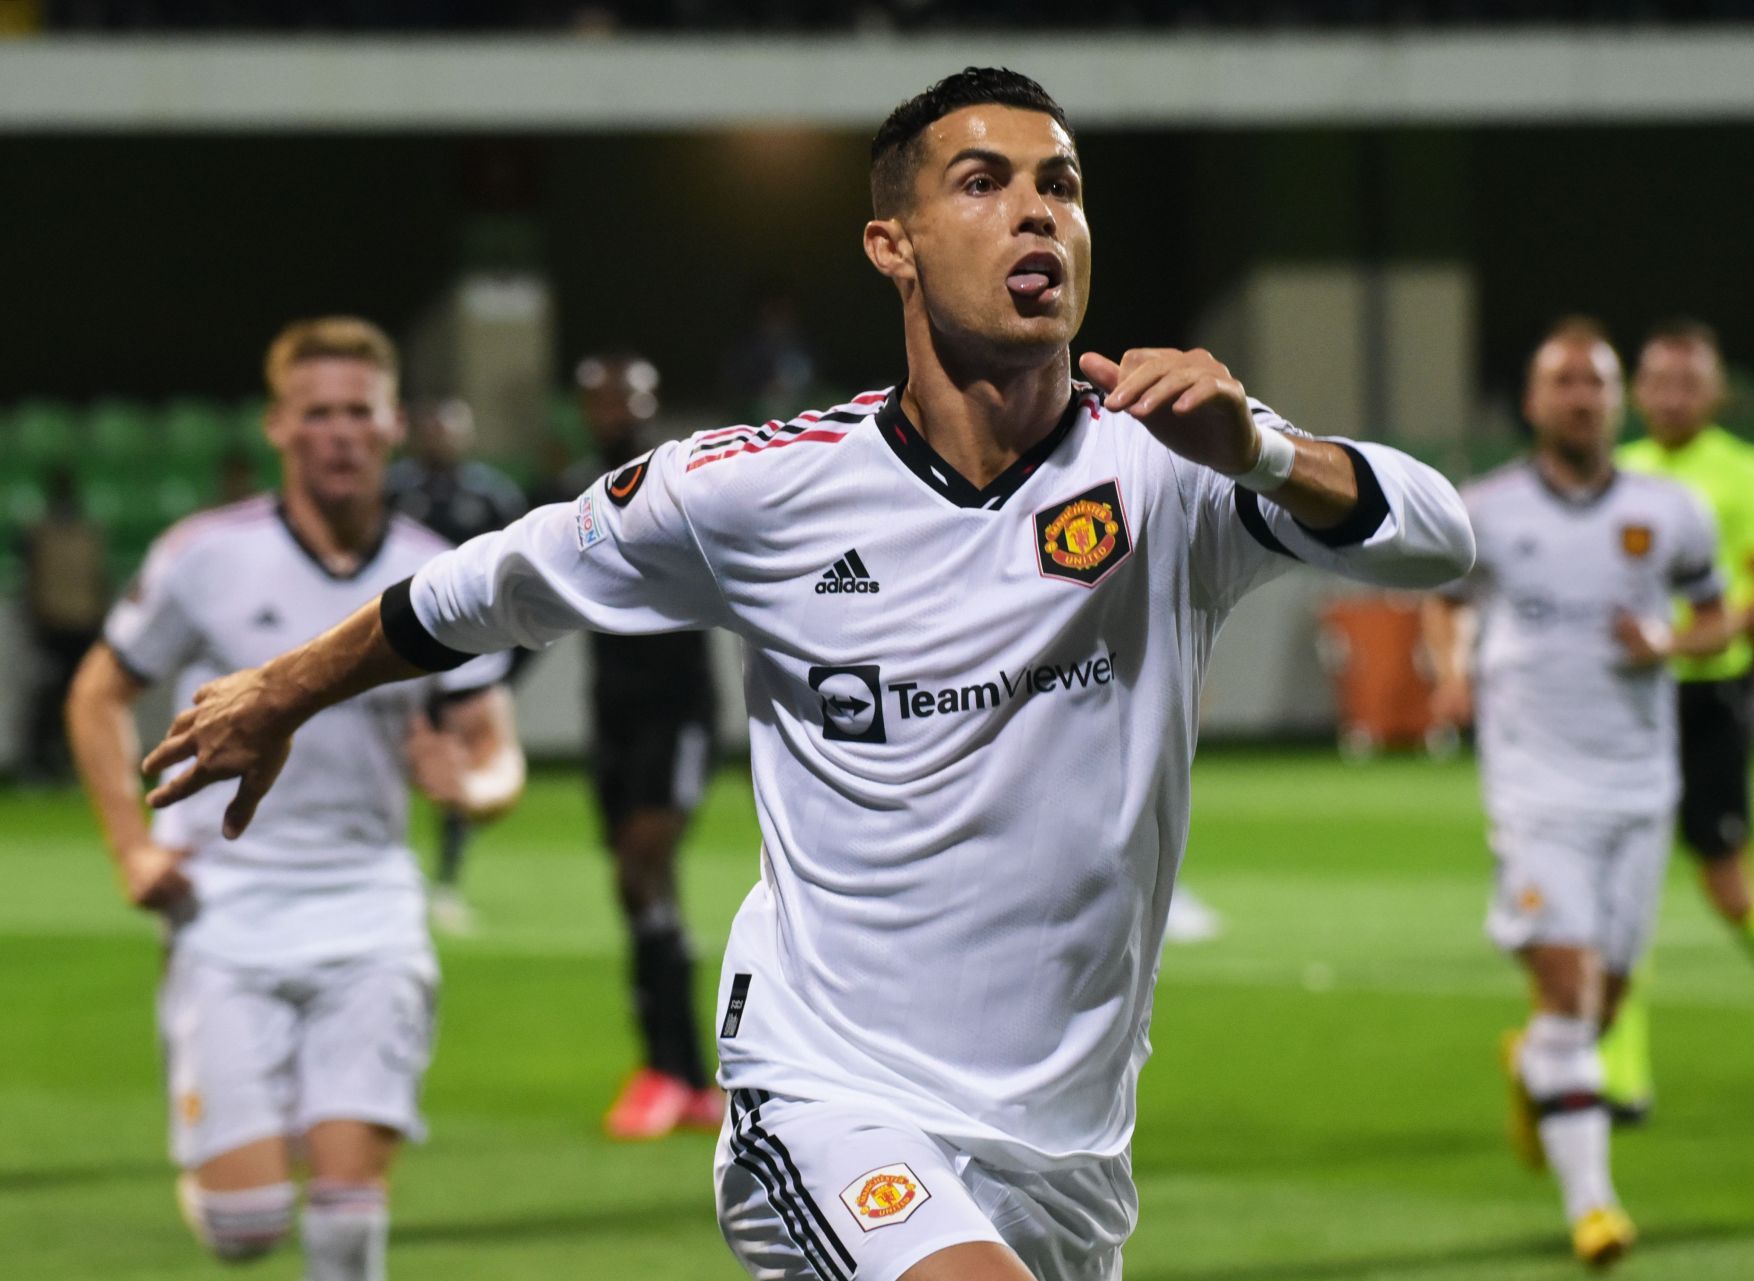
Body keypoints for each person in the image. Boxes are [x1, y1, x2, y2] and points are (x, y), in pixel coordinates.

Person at [135, 70, 1474, 1281]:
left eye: (1059, 186)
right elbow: (493, 582)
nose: (1035, 215)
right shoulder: (757, 489)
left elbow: (1437, 535)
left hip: (1068, 1150)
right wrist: (286, 689)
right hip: (833, 1092)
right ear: (893, 244)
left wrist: (1263, 450)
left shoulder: (1175, 467)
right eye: (984, 182)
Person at [64, 317, 525, 1281]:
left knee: (349, 1217)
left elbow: (495, 753)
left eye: (360, 411)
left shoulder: (437, 571)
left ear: (395, 422)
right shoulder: (205, 555)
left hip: (371, 909)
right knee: (246, 1224)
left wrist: (473, 790)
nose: (341, 433)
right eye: (317, 413)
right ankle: (229, 1188)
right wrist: (130, 850)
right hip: (225, 906)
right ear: (278, 426)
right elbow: (96, 692)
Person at [1425, 318, 1735, 1267]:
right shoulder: (1486, 510)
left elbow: (1718, 618)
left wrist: (1671, 645)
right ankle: (1593, 1207)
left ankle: (1535, 1065)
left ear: (1618, 400)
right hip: (1534, 790)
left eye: (1596, 384)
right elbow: (1441, 594)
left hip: (1640, 786)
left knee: (1604, 1004)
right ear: (1531, 401)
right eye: (1563, 382)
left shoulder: (1671, 510)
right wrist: (1452, 668)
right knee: (1567, 989)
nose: (1581, 398)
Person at [1606, 318, 1754, 1118]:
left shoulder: (1744, 474)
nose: (1672, 395)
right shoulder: (1617, 471)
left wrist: (1690, 632)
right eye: (1658, 380)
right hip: (1628, 703)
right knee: (1619, 891)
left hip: (1709, 699)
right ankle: (1624, 1078)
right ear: (1637, 390)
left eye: (1689, 382)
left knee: (1729, 886)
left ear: (1716, 392)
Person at [536, 351, 728, 1141]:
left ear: (648, 403)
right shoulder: (573, 490)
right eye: (598, 396)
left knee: (642, 863)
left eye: (626, 395)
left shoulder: (684, 483)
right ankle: (680, 1073)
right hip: (611, 712)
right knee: (641, 889)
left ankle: (672, 1069)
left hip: (676, 710)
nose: (612, 408)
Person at [386, 397, 529, 931]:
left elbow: (526, 577)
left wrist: (509, 666)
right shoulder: (393, 490)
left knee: (460, 761)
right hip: (398, 654)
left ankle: (444, 880)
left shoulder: (492, 495)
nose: (441, 438)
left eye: (451, 429)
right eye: (433, 428)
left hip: (470, 655)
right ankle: (390, 871)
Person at [19, 466, 108, 781]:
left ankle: (77, 761)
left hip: (82, 623)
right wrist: (38, 615)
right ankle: (40, 761)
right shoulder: (41, 532)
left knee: (82, 696)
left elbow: (97, 578)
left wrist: (98, 614)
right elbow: (32, 579)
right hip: (53, 624)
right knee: (49, 694)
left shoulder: (88, 531)